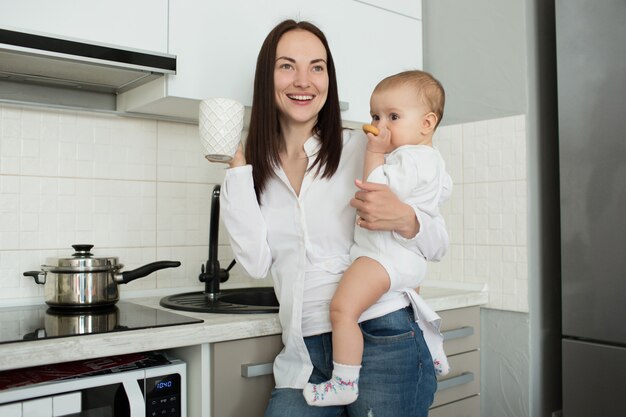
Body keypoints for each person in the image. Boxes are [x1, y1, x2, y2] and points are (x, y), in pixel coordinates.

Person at [219, 19, 448, 417]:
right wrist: (237, 168)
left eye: (317, 67)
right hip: (305, 352)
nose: (304, 80)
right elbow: (255, 264)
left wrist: (406, 218)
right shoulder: (257, 171)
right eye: (287, 66)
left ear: (329, 78)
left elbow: (438, 243)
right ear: (266, 77)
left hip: (383, 333)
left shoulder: (364, 144)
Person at [302, 70, 453, 407]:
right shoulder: (431, 161)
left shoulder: (408, 158)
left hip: (384, 258)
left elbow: (376, 187)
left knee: (342, 309)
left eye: (393, 117)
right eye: (375, 116)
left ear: (427, 124)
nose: (380, 125)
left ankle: (343, 381)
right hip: (408, 263)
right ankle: (433, 352)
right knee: (413, 308)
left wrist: (374, 152)